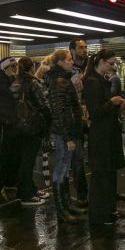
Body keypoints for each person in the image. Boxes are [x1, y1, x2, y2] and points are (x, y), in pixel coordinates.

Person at [82, 49, 125, 225]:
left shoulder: (102, 80)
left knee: (109, 173)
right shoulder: (92, 81)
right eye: (111, 63)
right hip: (101, 135)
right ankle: (100, 214)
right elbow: (95, 111)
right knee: (101, 175)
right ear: (100, 62)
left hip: (108, 133)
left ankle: (109, 209)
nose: (114, 67)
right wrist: (112, 103)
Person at [7, 57, 52, 207]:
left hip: (18, 127)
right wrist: (49, 120)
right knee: (28, 161)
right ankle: (26, 194)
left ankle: (30, 189)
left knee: (25, 159)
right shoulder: (32, 83)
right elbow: (43, 105)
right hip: (32, 127)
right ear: (32, 68)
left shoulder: (15, 83)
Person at [48, 49, 85, 223]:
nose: (72, 62)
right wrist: (68, 136)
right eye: (69, 59)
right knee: (61, 167)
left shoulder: (63, 80)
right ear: (60, 62)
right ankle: (61, 208)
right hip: (64, 133)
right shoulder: (59, 81)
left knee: (65, 167)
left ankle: (67, 204)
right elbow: (59, 111)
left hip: (67, 131)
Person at [0, 57, 18, 197]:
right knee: (4, 154)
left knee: (13, 153)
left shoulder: (13, 80)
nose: (15, 69)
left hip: (14, 123)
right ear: (5, 68)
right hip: (6, 123)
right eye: (12, 67)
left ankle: (10, 182)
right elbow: (2, 103)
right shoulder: (1, 82)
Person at [68, 38, 89, 206]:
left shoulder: (90, 67)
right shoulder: (67, 70)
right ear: (72, 51)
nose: (84, 50)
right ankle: (82, 193)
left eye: (85, 47)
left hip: (91, 116)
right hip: (74, 119)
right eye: (81, 47)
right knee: (78, 158)